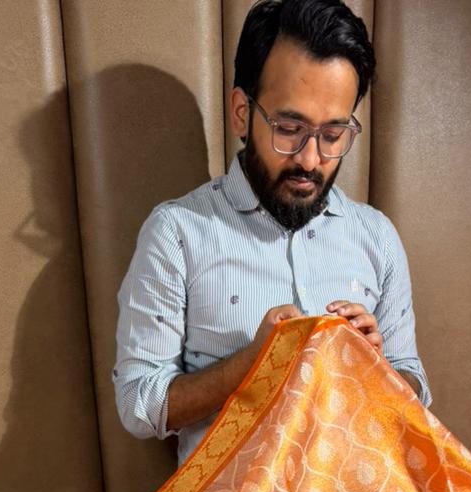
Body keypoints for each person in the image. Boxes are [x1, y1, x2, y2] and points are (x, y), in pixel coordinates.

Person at [114, 0, 431, 467]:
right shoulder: (177, 235)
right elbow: (138, 405)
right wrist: (251, 367)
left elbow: (414, 395)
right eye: (289, 128)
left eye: (333, 134)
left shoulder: (376, 237)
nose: (309, 159)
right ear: (242, 113)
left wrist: (375, 371)